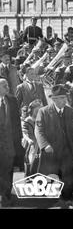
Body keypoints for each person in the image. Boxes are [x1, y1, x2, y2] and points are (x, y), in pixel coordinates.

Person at [35, 85, 73, 209]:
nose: (65, 100)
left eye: (65, 97)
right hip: (51, 151)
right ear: (54, 99)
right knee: (52, 176)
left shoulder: (70, 111)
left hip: (68, 151)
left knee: (68, 176)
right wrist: (45, 145)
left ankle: (69, 199)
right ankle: (53, 201)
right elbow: (38, 130)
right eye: (61, 98)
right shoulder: (44, 111)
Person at [0, 79, 23, 208]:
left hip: (10, 145)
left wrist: (19, 141)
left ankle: (6, 198)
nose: (7, 87)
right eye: (4, 86)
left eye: (8, 85)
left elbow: (17, 123)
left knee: (8, 172)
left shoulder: (12, 100)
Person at [21, 99, 43, 177]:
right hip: (30, 144)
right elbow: (24, 132)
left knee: (39, 160)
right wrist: (29, 140)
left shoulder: (40, 120)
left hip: (39, 143)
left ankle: (37, 175)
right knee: (30, 160)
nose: (38, 112)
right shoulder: (28, 120)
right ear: (31, 110)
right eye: (37, 110)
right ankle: (28, 176)